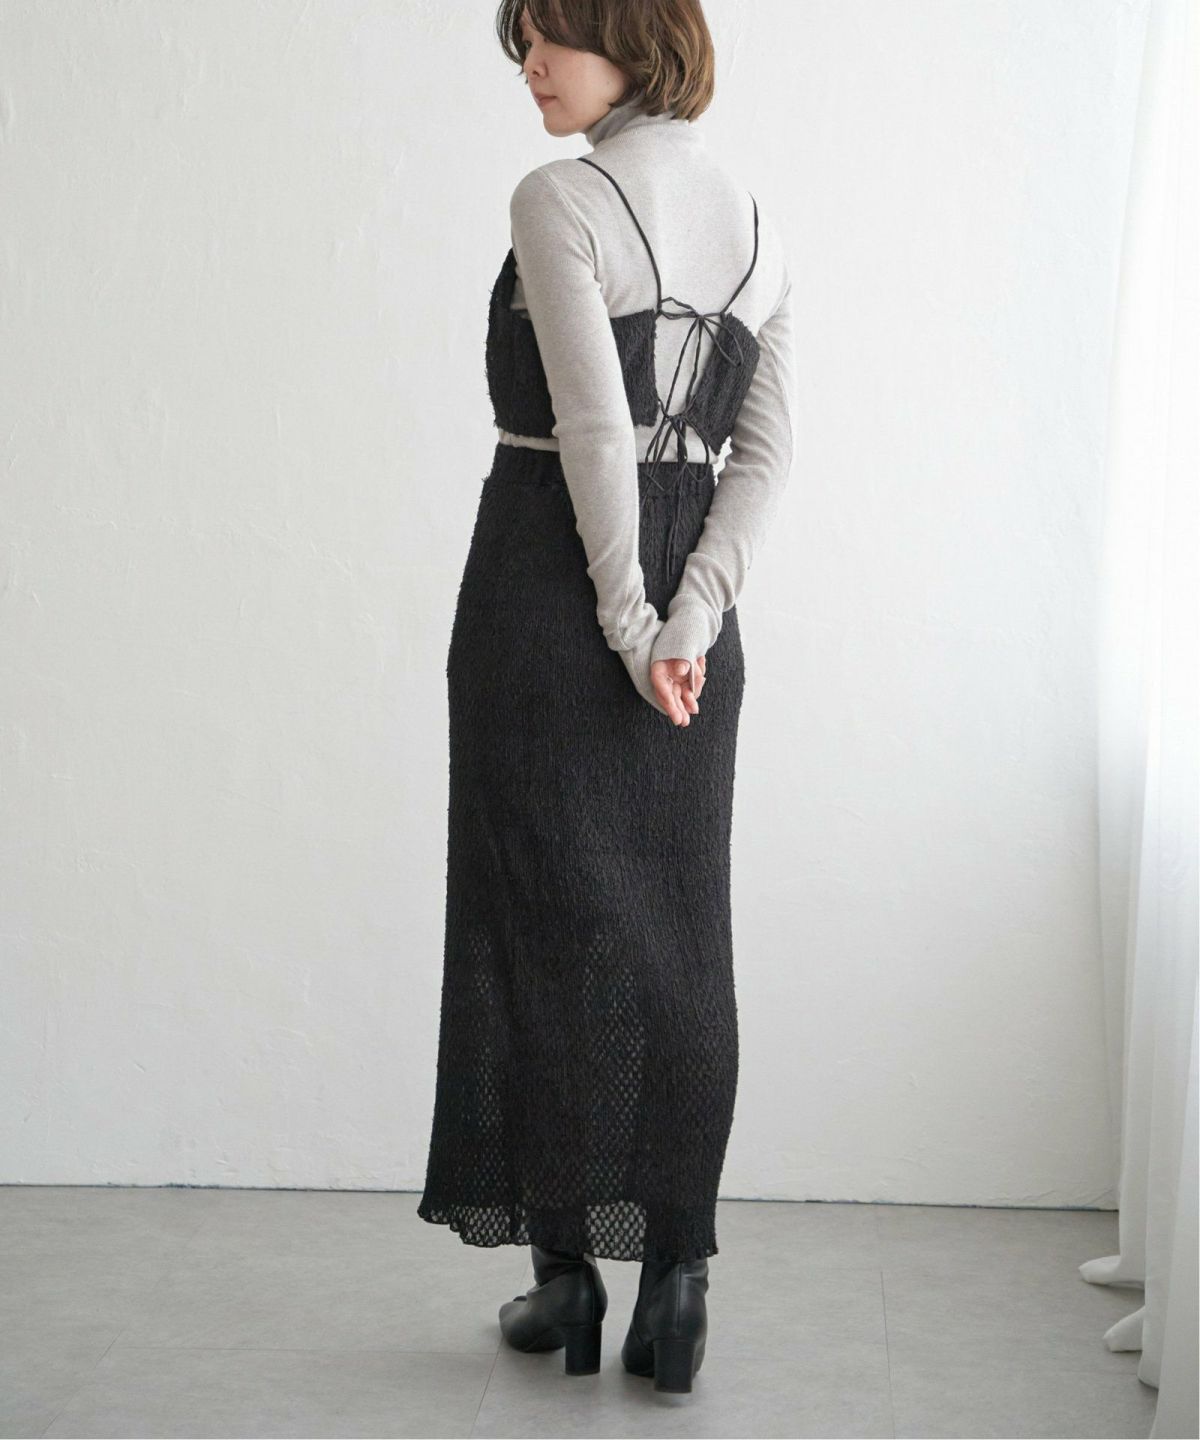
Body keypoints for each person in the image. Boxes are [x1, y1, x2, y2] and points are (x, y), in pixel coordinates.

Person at [417, 0, 797, 1397]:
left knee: (538, 924)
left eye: (553, 35)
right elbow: (763, 455)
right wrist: (695, 618)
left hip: (548, 588)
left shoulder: (558, 197)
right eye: (519, 39)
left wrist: (632, 624)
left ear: (636, 35)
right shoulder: (754, 221)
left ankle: (567, 1278)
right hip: (693, 609)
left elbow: (592, 425)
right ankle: (675, 1281)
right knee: (678, 934)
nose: (530, 63)